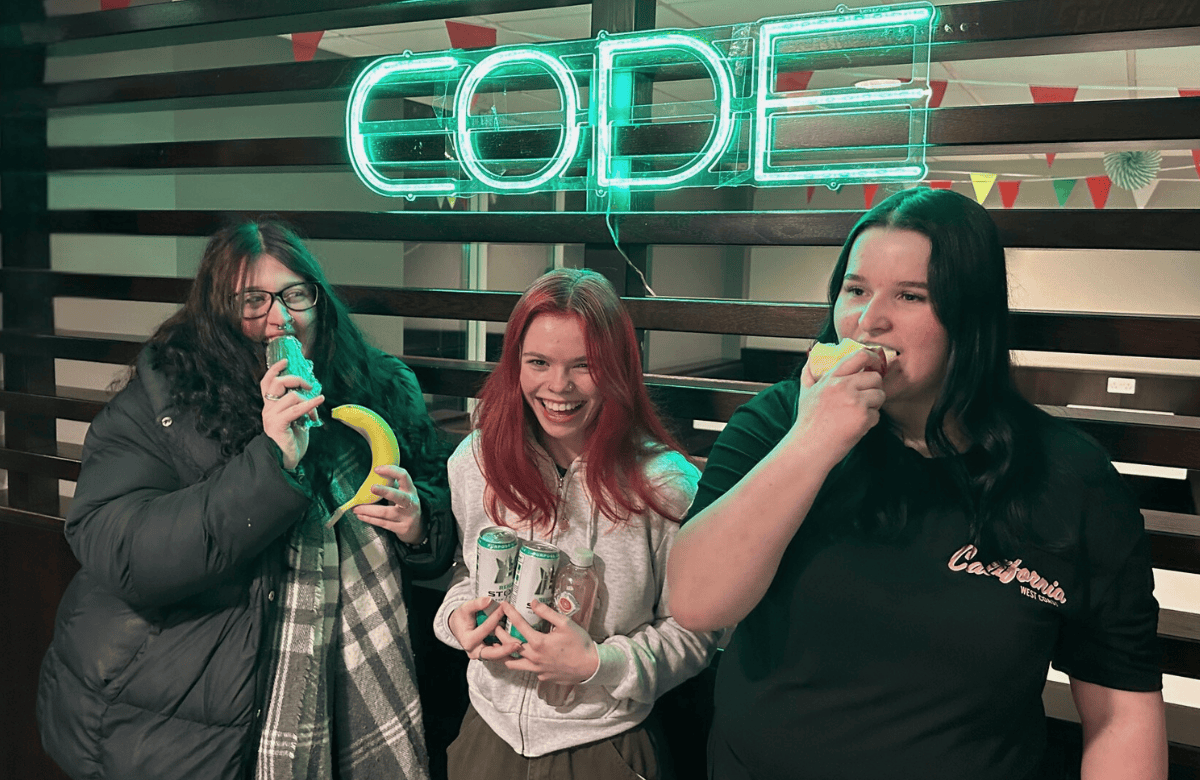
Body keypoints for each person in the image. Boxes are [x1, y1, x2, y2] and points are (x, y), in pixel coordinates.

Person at [667, 187, 1168, 780]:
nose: (868, 318)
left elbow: (1121, 709)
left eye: (910, 295)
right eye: (855, 290)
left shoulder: (1068, 478)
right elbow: (696, 603)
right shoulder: (777, 424)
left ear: (970, 315)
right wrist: (814, 441)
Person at [37, 220, 454, 780]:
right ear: (216, 311)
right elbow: (123, 551)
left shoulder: (379, 389)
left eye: (295, 295)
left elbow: (441, 502)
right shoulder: (165, 403)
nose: (280, 318)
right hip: (188, 707)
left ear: (319, 300)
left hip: (359, 686)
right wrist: (272, 460)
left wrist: (420, 526)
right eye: (253, 300)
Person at [433, 268, 719, 780]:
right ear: (514, 365)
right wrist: (458, 618)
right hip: (486, 733)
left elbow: (697, 631)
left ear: (616, 370)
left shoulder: (665, 484)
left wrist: (597, 664)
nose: (558, 387)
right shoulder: (475, 461)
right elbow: (464, 571)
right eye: (538, 362)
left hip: (604, 743)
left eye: (583, 366)